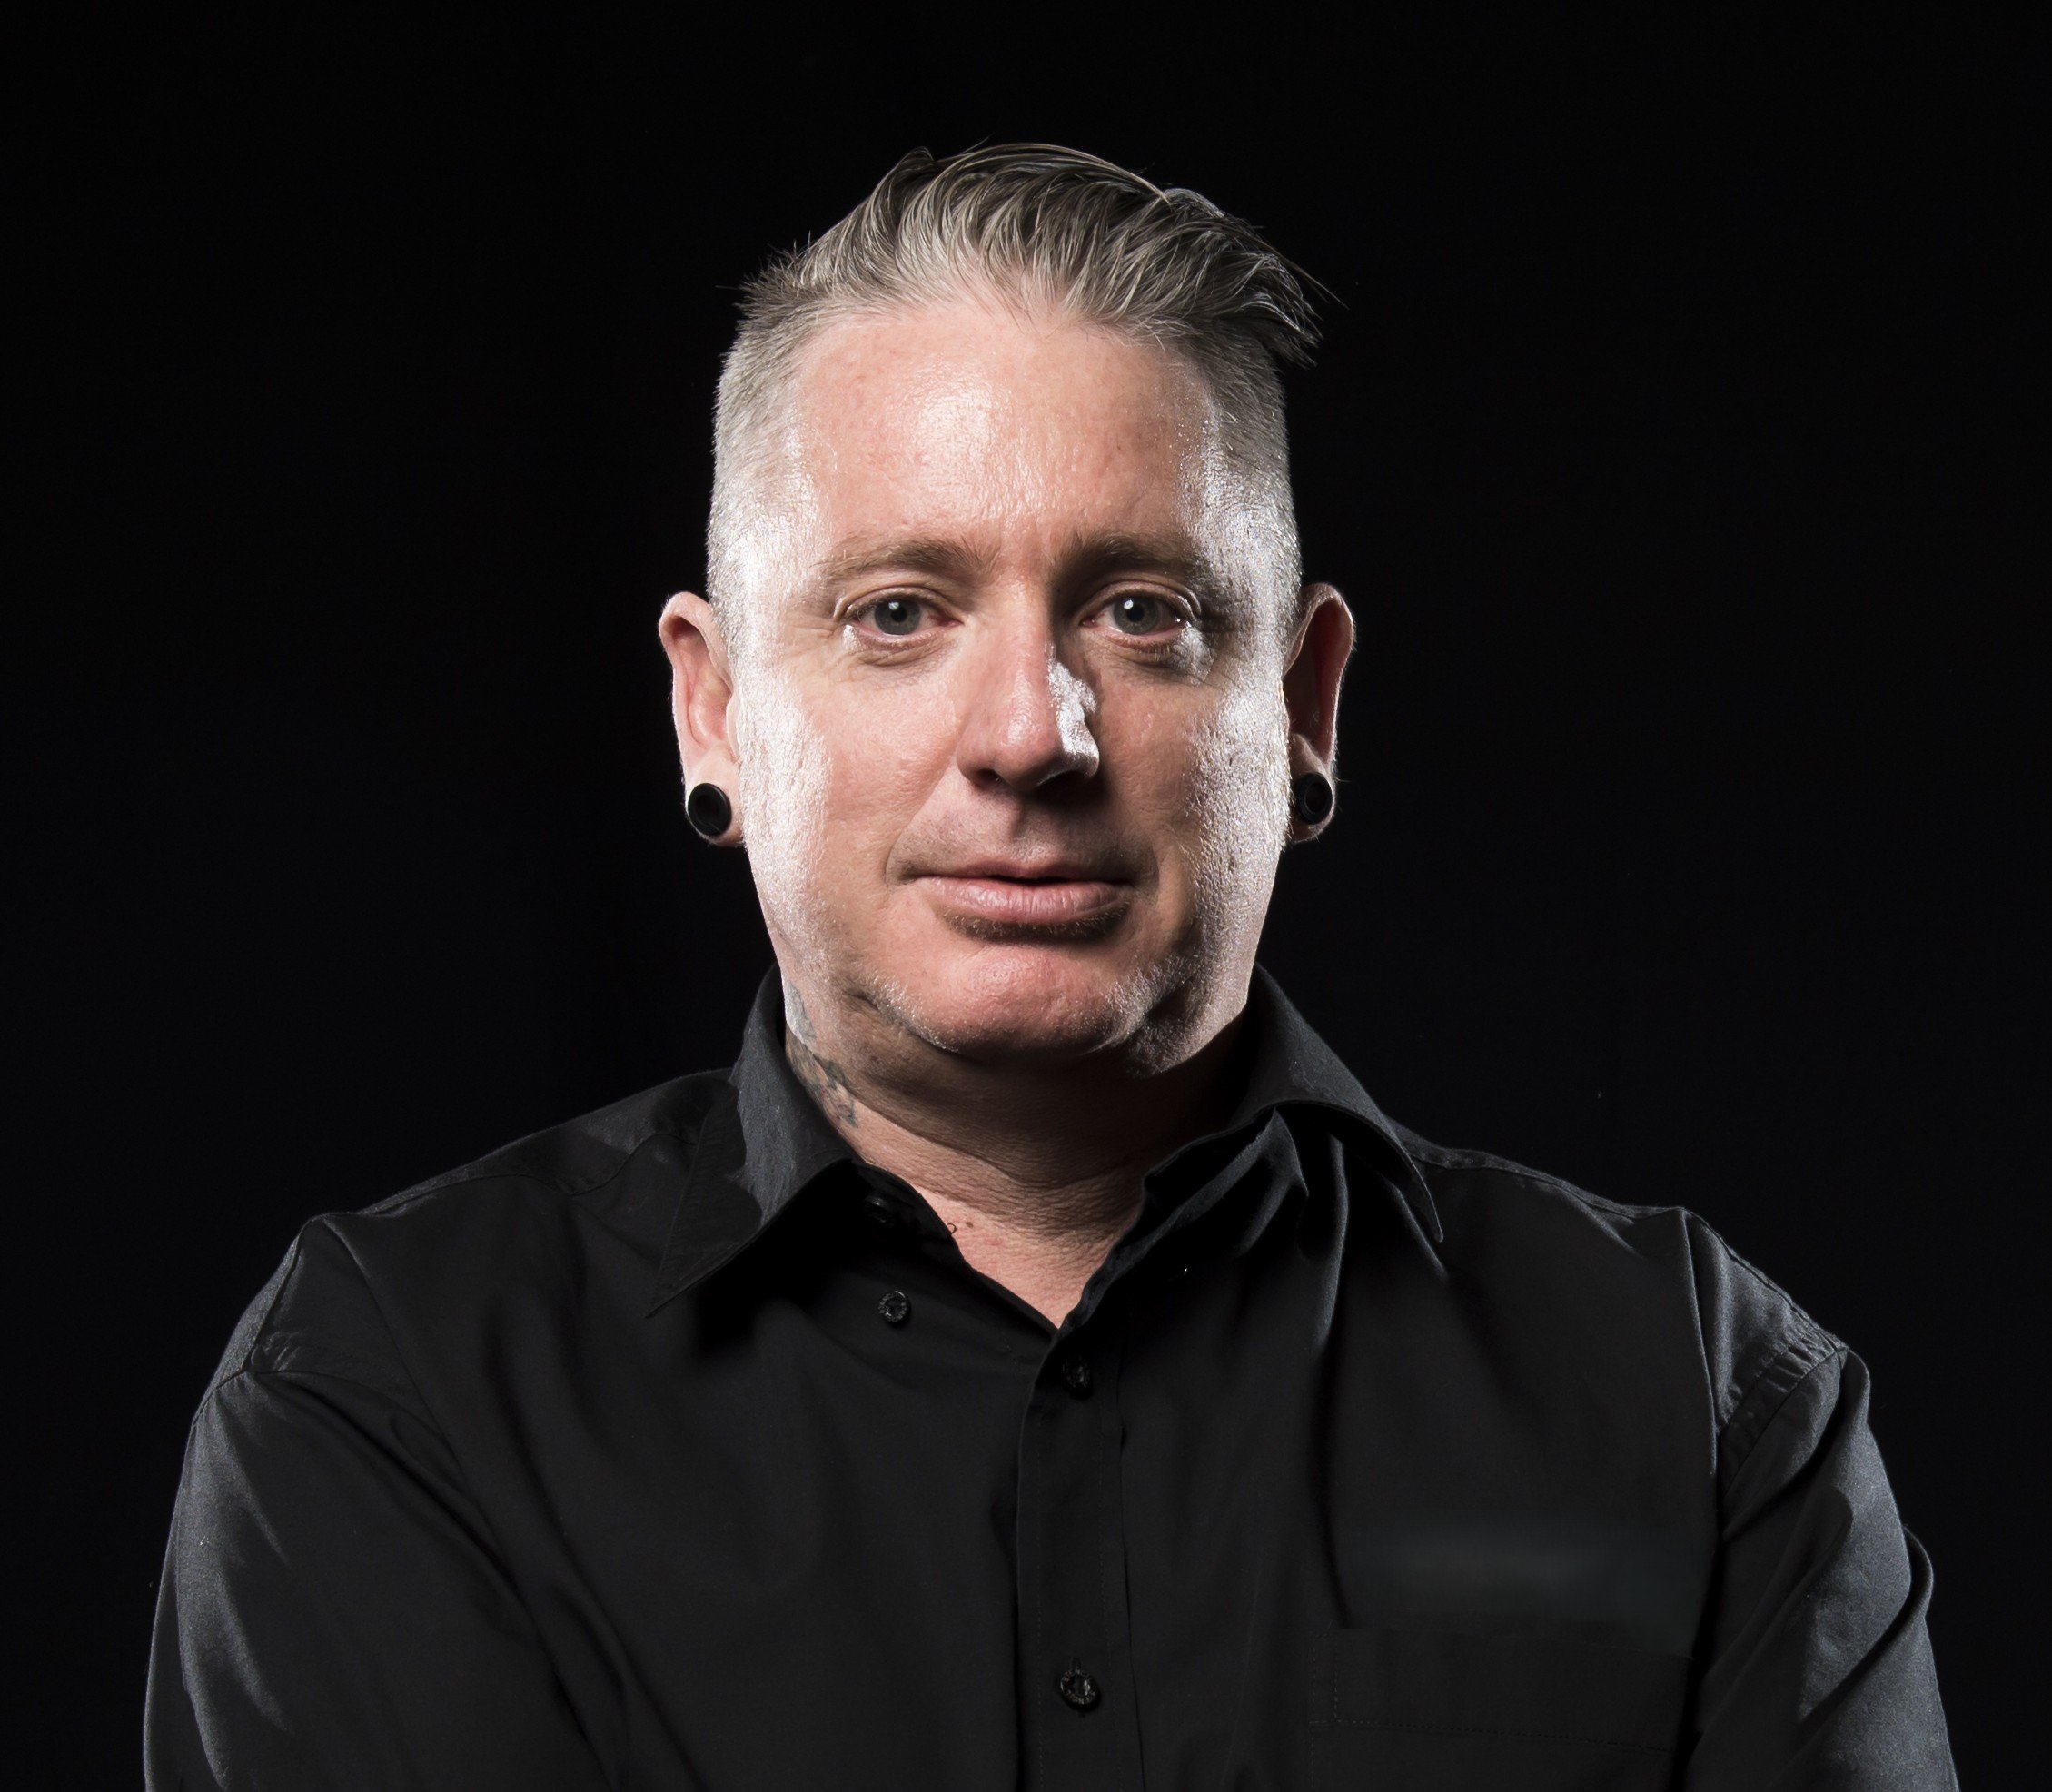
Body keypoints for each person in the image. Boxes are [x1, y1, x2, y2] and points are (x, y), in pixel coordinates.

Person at [144, 144, 1958, 1789]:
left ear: (1302, 705)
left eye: (1140, 612)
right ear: (710, 705)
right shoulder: (394, 1403)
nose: (1030, 732)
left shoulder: (1698, 1404)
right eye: (899, 614)